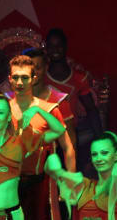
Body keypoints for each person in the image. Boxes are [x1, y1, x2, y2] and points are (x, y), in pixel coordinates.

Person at [5, 54, 74, 220]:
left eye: (25, 77)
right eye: (16, 78)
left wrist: (70, 184)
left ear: (34, 78)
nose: (20, 82)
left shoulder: (48, 109)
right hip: (9, 184)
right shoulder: (2, 108)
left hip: (38, 185)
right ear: (10, 79)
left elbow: (68, 147)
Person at [43, 28, 103, 168]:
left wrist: (101, 139)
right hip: (46, 137)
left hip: (71, 136)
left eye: (59, 45)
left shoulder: (78, 78)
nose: (55, 49)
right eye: (51, 46)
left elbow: (91, 110)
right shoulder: (41, 78)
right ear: (46, 49)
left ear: (65, 47)